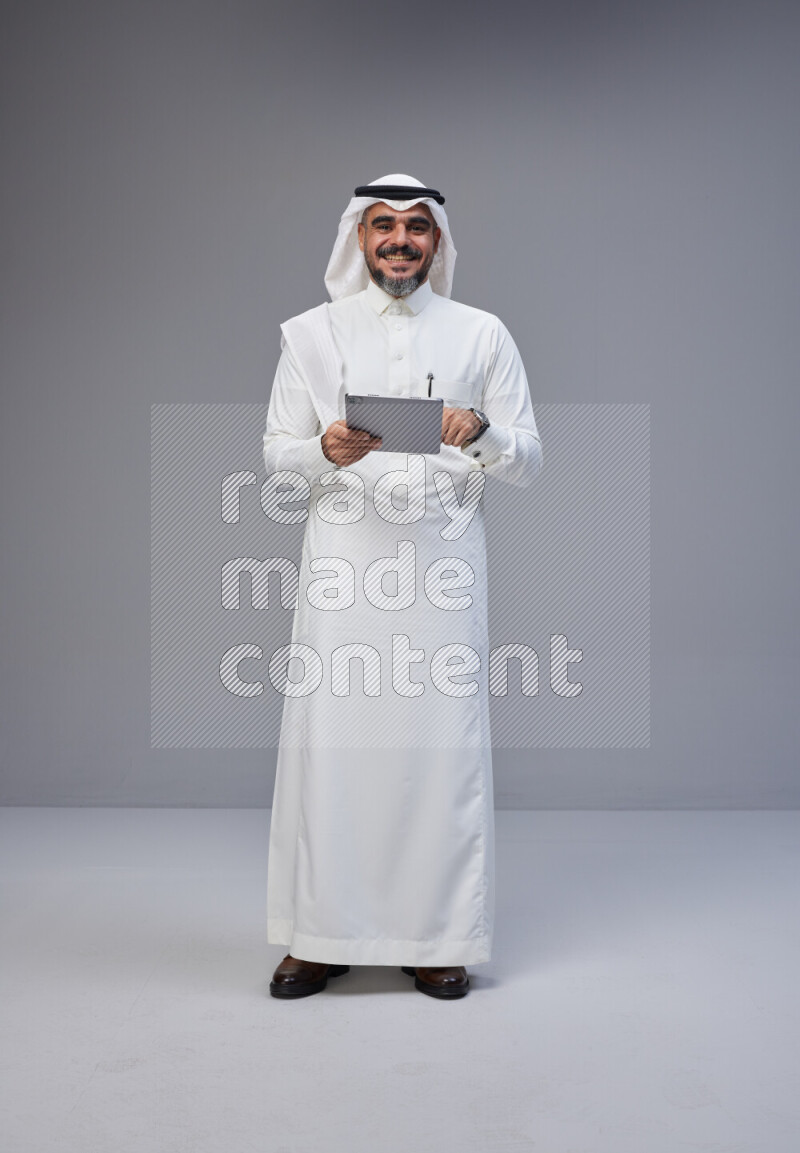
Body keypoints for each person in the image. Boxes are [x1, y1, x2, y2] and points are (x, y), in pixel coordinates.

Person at [262, 173, 543, 1000]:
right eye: (382, 225)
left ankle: (437, 935)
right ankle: (318, 935)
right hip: (343, 572)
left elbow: (530, 458)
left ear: (438, 242)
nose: (398, 240)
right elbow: (278, 457)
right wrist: (325, 451)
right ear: (358, 237)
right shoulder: (312, 336)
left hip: (441, 574)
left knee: (438, 750)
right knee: (332, 746)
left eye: (416, 227)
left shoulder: (482, 334)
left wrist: (483, 432)